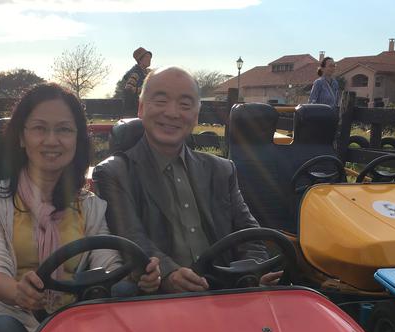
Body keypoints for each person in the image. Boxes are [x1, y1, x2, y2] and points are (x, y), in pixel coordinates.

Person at [0, 83, 161, 332]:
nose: (51, 140)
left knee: (127, 298)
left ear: (76, 139)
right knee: (5, 331)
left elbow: (106, 261)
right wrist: (18, 291)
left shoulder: (90, 205)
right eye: (39, 129)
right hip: (7, 318)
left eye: (64, 130)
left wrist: (139, 276)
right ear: (21, 136)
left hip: (70, 320)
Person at [94, 66, 280, 293]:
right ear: (141, 108)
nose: (172, 113)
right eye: (161, 101)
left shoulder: (222, 170)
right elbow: (132, 239)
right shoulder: (115, 173)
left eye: (185, 105)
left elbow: (249, 234)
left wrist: (254, 272)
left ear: (196, 116)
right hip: (158, 305)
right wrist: (169, 273)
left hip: (228, 295)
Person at [120, 47, 152, 117]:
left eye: (150, 57)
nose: (149, 59)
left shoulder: (147, 72)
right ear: (140, 60)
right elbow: (128, 89)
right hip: (135, 111)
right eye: (147, 57)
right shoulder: (135, 73)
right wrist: (145, 89)